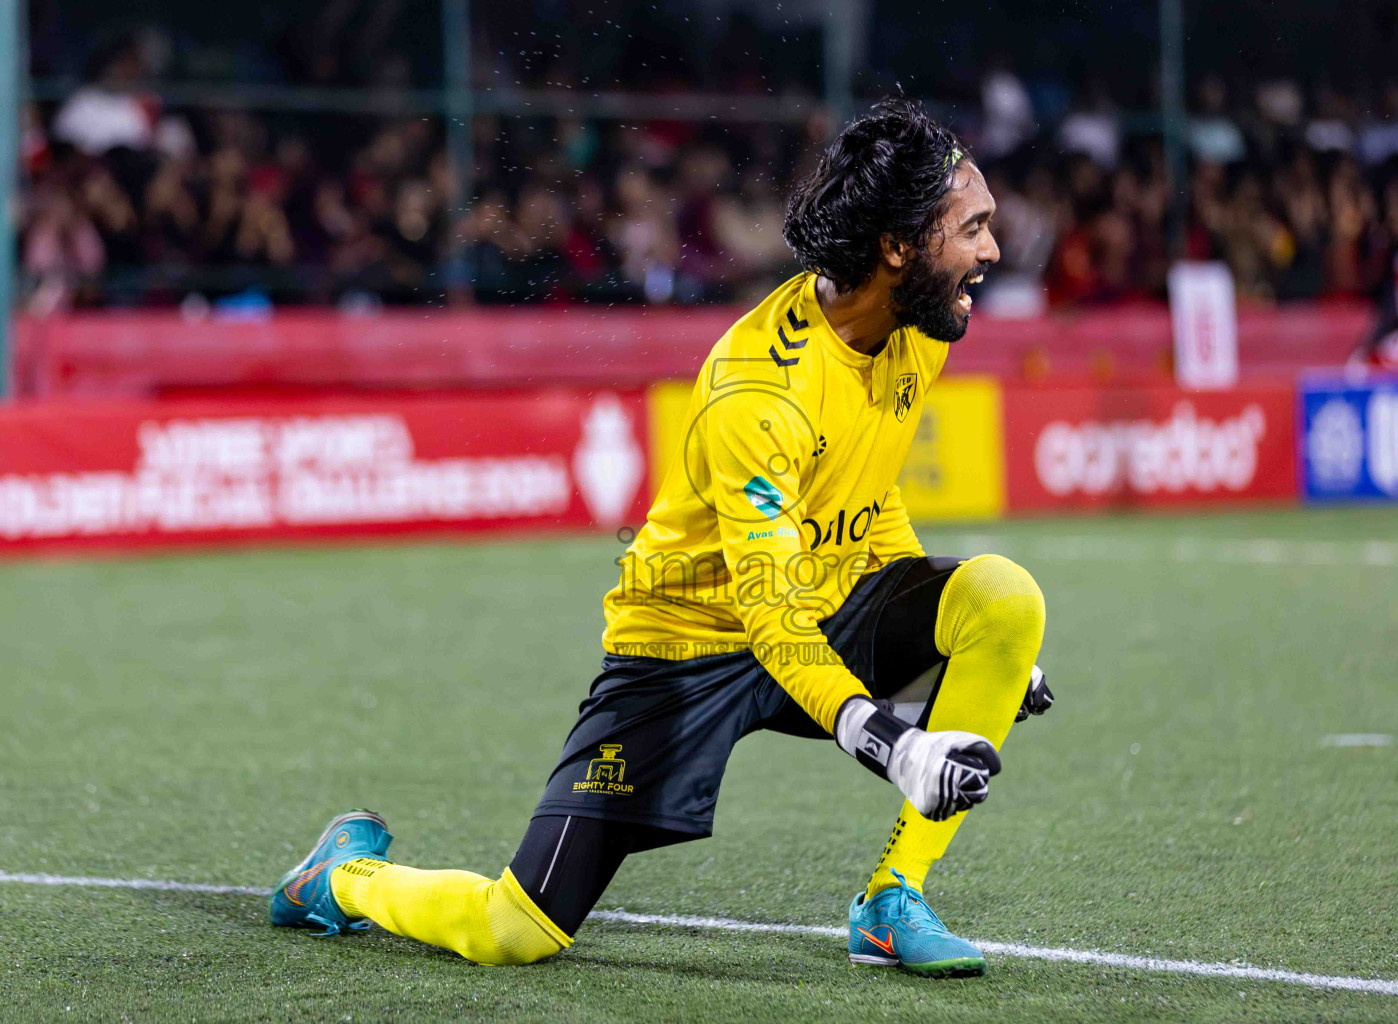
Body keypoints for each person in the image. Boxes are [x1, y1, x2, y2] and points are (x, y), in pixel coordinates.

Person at [269, 100, 1054, 978]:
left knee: (1001, 600)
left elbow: (869, 502)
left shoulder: (920, 328)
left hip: (813, 606)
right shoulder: (761, 390)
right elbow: (768, 617)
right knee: (517, 929)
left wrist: (962, 647)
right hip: (682, 645)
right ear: (899, 247)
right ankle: (343, 878)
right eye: (973, 229)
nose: (992, 250)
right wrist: (896, 743)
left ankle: (890, 899)